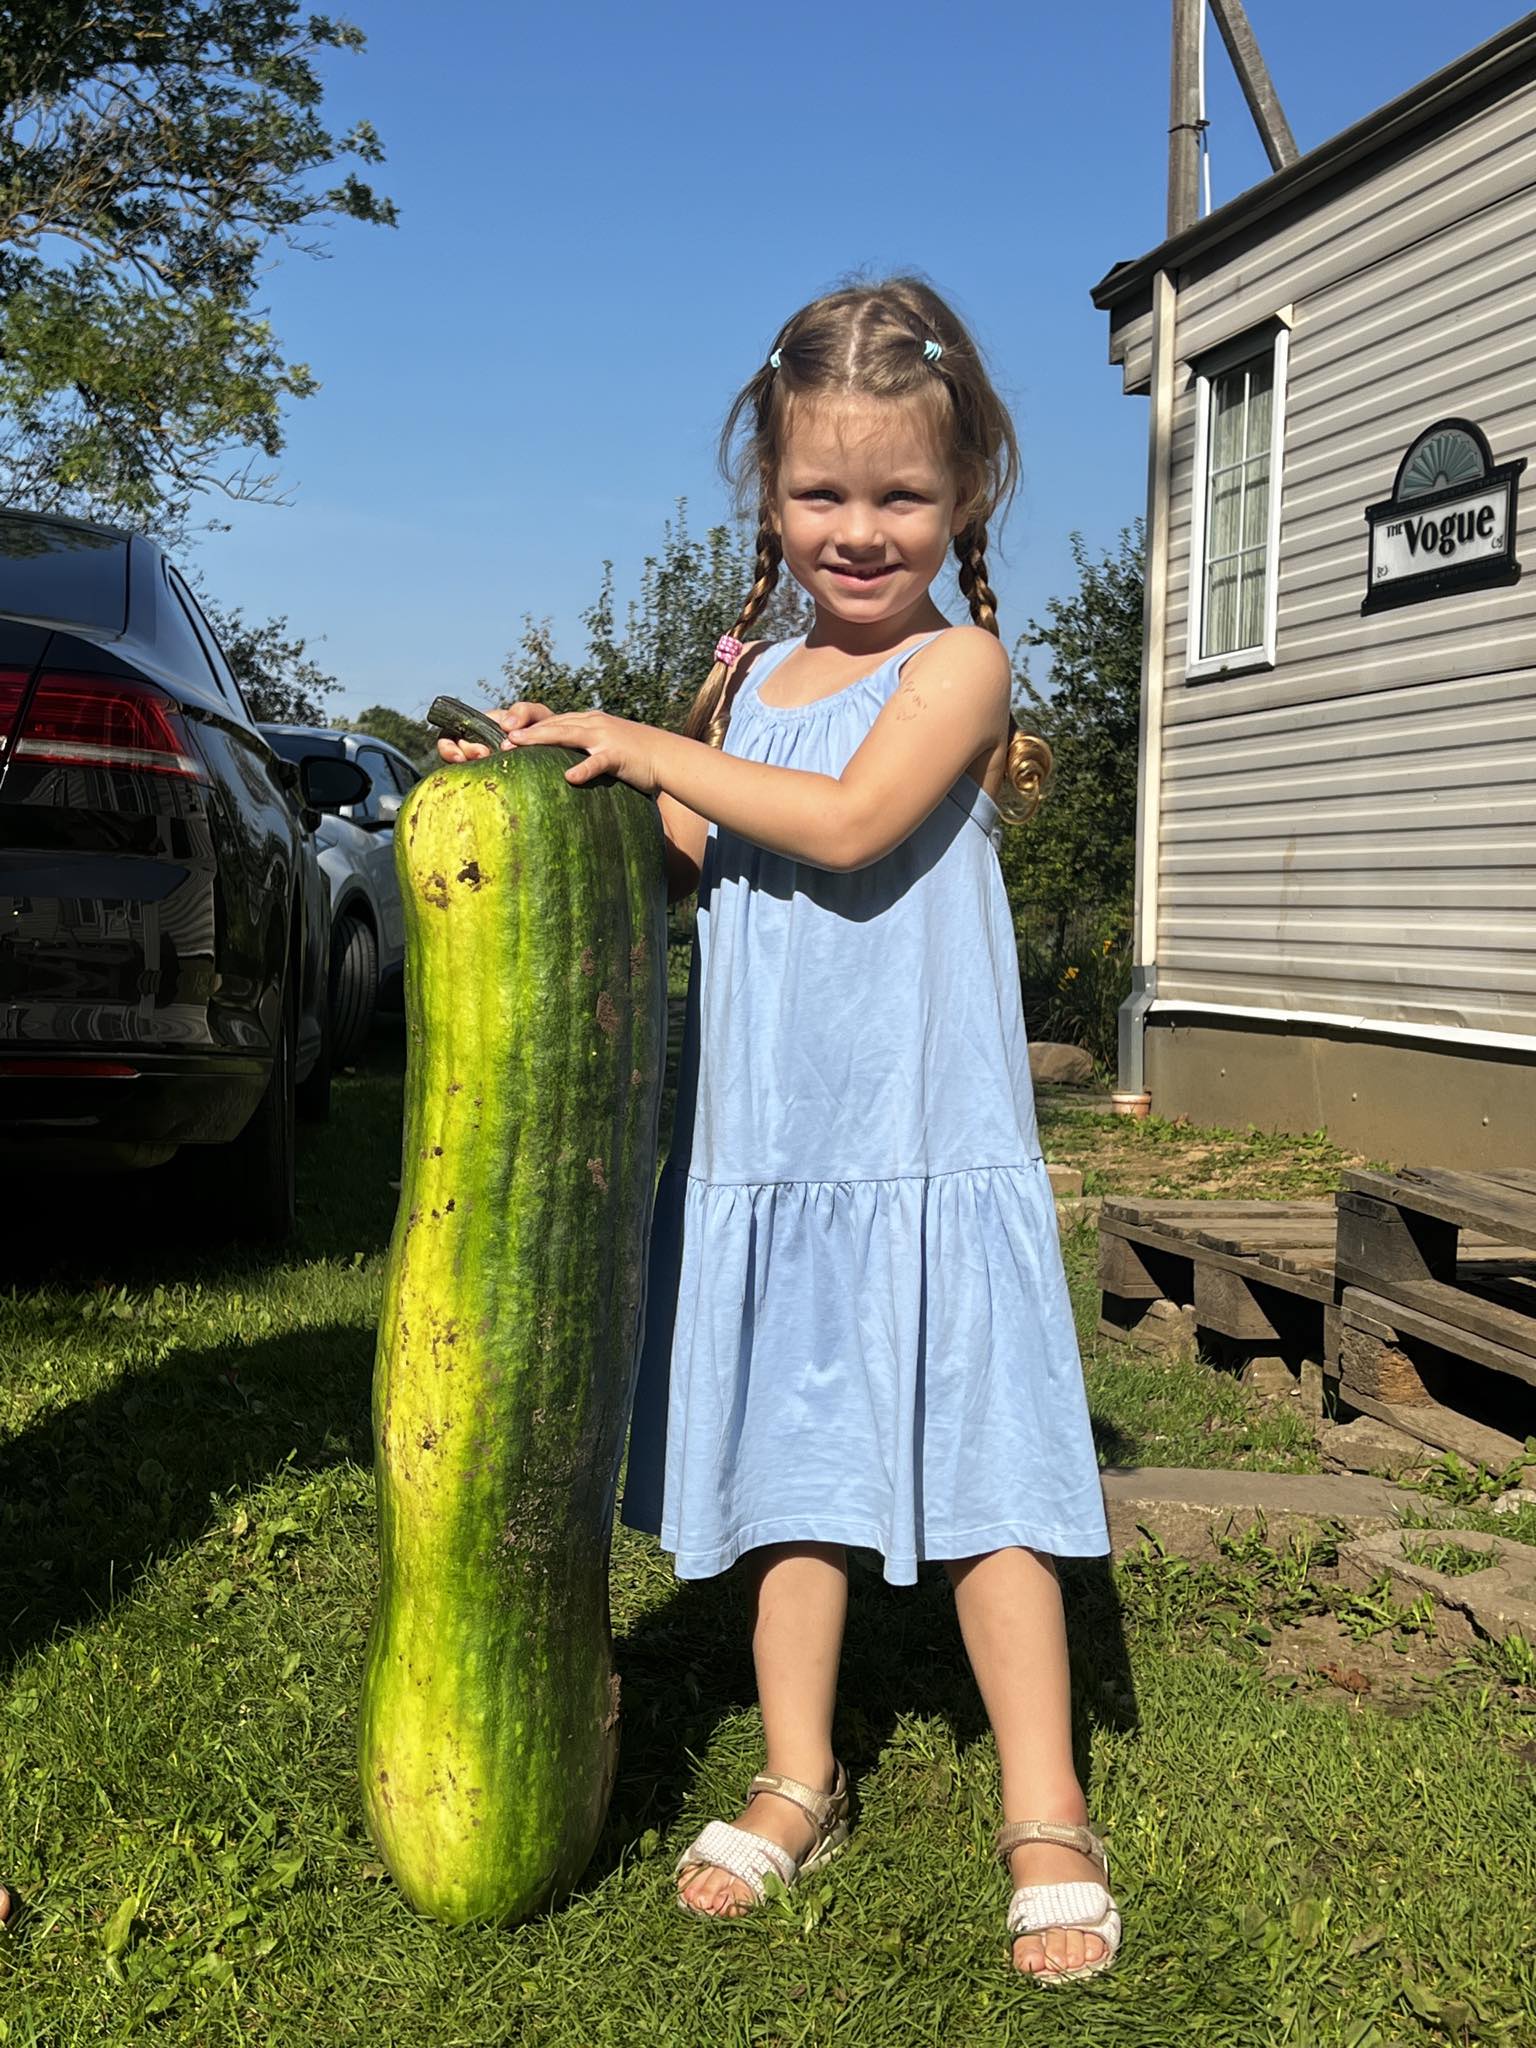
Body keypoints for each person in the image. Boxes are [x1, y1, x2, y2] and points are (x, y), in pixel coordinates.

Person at [436, 276, 1119, 1982]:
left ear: (967, 496)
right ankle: (798, 1771)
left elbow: (841, 823)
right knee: (787, 1489)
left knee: (992, 1492)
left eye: (902, 495)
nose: (861, 530)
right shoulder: (750, 681)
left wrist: (654, 736)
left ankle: (1045, 1807)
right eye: (824, 494)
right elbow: (690, 850)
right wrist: (556, 771)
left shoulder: (965, 665)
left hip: (921, 1153)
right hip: (774, 1163)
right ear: (769, 495)